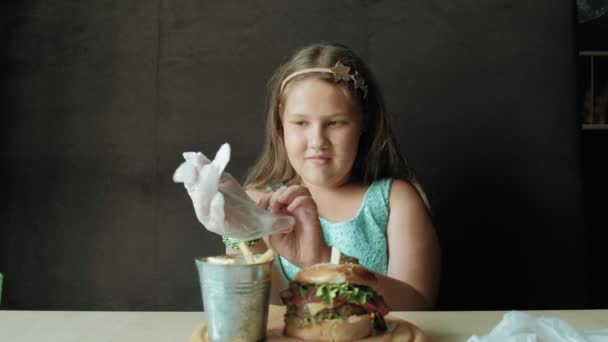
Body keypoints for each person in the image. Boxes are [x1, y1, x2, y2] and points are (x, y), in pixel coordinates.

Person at [223, 42, 440, 311]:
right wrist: (236, 233)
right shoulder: (258, 202)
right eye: (301, 123)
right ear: (280, 122)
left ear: (364, 123)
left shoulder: (396, 200)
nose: (317, 141)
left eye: (335, 122)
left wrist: (324, 260)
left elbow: (418, 309)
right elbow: (256, 310)